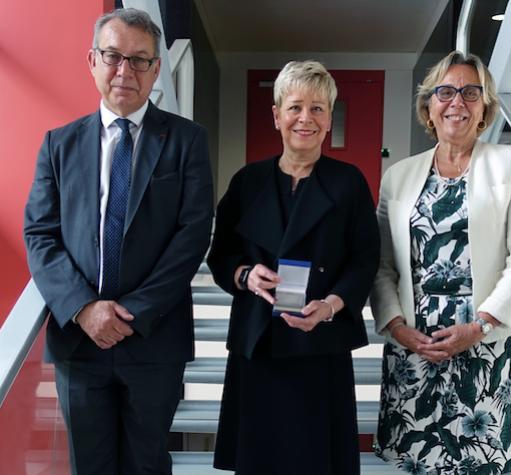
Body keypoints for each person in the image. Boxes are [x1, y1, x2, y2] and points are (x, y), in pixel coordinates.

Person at [23, 8, 213, 474]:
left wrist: (134, 313)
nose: (125, 71)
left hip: (154, 337)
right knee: (89, 465)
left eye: (139, 60)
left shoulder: (187, 140)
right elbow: (40, 234)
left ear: (155, 70)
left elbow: (192, 236)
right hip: (79, 342)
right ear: (92, 60)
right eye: (113, 56)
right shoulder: (58, 145)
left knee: (148, 463)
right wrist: (86, 309)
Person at [371, 51, 511, 474]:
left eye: (470, 92)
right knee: (417, 460)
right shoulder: (398, 175)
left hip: (488, 344)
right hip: (416, 346)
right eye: (445, 91)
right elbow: (382, 265)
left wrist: (480, 325)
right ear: (428, 105)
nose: (457, 102)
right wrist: (397, 328)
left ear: (484, 106)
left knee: (483, 462)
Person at [208, 60, 380, 475]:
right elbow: (221, 254)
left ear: (328, 119)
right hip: (258, 344)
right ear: (276, 115)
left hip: (320, 343)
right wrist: (246, 275)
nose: (306, 118)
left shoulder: (349, 182)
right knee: (258, 460)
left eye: (318, 108)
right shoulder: (246, 181)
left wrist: (332, 305)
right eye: (295, 107)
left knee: (317, 462)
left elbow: (365, 259)